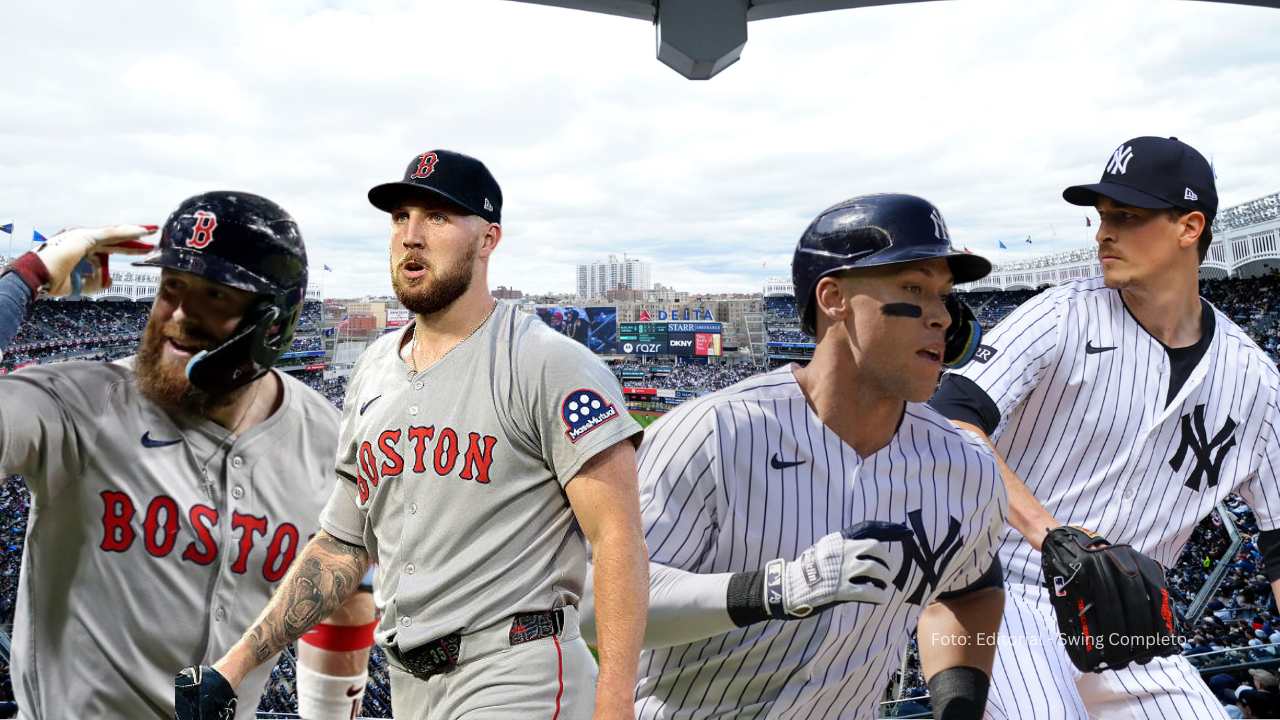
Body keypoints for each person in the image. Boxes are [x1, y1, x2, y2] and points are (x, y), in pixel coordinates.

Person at [181, 150, 649, 719]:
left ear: (488, 240)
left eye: (438, 217)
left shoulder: (546, 362)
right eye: (401, 217)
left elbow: (617, 538)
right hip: (411, 686)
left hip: (515, 672)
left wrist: (615, 705)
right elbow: (341, 545)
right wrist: (233, 667)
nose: (411, 236)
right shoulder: (372, 370)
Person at [584, 193, 1008, 719]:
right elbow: (595, 608)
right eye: (913, 289)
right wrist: (781, 588)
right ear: (833, 298)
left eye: (945, 295)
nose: (942, 317)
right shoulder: (714, 431)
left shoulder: (965, 466)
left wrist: (959, 707)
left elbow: (973, 593)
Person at [930, 135, 1280, 719]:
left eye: (1127, 216)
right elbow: (948, 418)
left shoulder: (1256, 382)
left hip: (1132, 622)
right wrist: (1051, 534)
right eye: (1101, 217)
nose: (1102, 233)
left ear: (1189, 227)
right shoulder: (1060, 313)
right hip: (1008, 590)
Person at [0, 192, 375, 720]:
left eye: (215, 295)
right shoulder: (74, 401)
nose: (178, 314)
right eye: (171, 286)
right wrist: (26, 275)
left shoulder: (326, 437)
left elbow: (346, 591)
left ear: (273, 323)